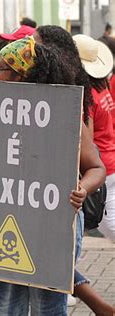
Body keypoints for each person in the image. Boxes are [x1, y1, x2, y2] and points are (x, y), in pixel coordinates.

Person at [0, 37, 106, 315]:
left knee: (48, 304)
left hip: (53, 222)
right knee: (8, 304)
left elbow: (96, 168)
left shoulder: (62, 116)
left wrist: (81, 188)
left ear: (20, 74)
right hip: (5, 220)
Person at [74, 34, 115, 242]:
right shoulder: (102, 87)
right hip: (110, 159)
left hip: (100, 167)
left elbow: (86, 138)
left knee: (108, 225)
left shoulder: (87, 95)